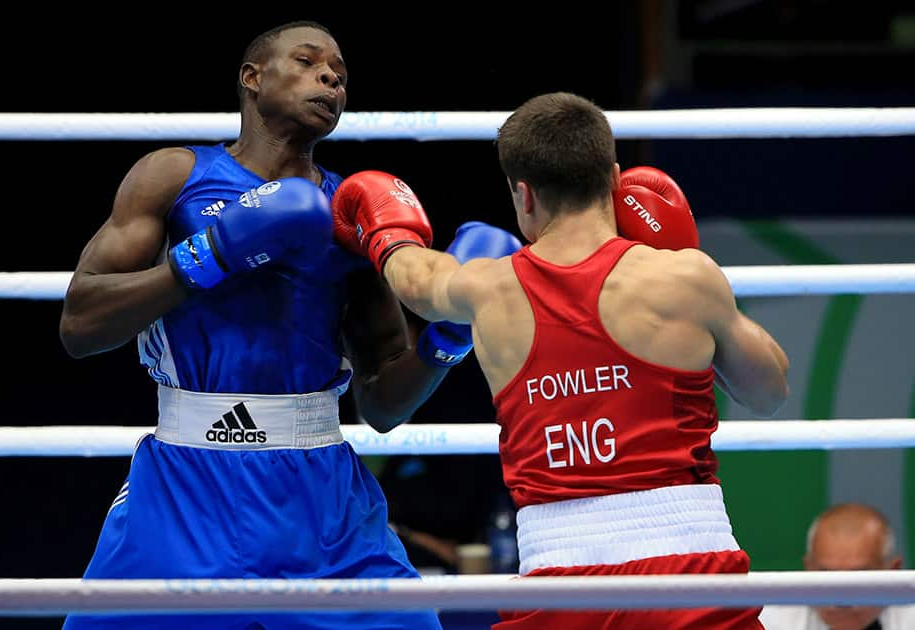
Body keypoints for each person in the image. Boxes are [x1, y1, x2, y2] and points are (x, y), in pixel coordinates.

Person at [56, 20, 466, 629]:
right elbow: (80, 324)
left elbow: (381, 402)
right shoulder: (175, 176)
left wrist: (448, 341)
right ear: (252, 78)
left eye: (340, 74)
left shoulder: (351, 212)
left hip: (322, 501)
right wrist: (208, 257)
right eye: (307, 62)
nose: (330, 77)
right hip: (184, 489)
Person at [331, 91, 790, 629]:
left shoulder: (487, 288)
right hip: (689, 561)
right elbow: (769, 390)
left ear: (522, 194)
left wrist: (386, 228)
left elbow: (414, 279)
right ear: (616, 179)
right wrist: (687, 263)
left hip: (559, 572)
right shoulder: (684, 277)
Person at [760, 503, 915, 630]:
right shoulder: (767, 623)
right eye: (827, 576)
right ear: (808, 569)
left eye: (858, 578)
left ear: (893, 571)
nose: (841, 601)